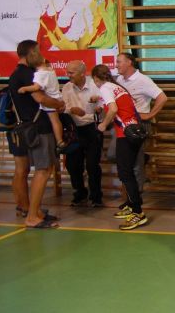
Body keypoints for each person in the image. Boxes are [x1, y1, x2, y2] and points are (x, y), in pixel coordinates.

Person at [8, 40, 64, 228]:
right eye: (38, 51)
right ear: (31, 52)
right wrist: (59, 104)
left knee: (40, 170)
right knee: (43, 170)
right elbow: (40, 98)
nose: (41, 54)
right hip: (38, 127)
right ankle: (32, 216)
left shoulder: (18, 73)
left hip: (31, 126)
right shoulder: (27, 74)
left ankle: (35, 210)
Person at [92, 64, 149, 230]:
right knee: (127, 171)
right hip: (134, 132)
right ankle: (131, 205)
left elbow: (113, 109)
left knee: (125, 173)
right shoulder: (116, 87)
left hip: (126, 135)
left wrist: (103, 125)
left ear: (96, 79)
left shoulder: (105, 87)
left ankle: (138, 212)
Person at [115, 52, 168, 193]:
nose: (116, 65)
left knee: (135, 163)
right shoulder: (119, 79)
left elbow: (162, 97)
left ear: (129, 62)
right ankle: (144, 160)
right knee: (115, 156)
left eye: (119, 61)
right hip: (123, 124)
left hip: (137, 125)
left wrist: (150, 114)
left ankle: (136, 196)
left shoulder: (143, 80)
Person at [61, 60, 104, 207]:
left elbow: (104, 103)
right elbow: (62, 107)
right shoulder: (66, 87)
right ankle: (80, 193)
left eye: (71, 73)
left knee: (92, 165)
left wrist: (99, 108)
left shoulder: (95, 85)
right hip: (74, 130)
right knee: (72, 165)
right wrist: (71, 110)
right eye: (67, 72)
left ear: (82, 73)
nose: (68, 75)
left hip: (92, 128)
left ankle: (96, 197)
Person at [18, 58, 65, 153]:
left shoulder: (41, 74)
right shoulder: (51, 71)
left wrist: (25, 88)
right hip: (57, 96)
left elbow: (36, 87)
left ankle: (59, 141)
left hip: (50, 100)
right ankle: (59, 140)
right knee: (56, 120)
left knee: (54, 121)